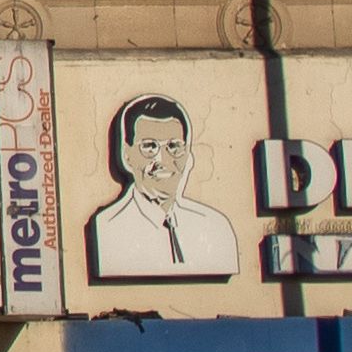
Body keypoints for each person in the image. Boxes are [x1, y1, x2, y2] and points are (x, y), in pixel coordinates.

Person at [84, 94, 239, 281]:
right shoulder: (109, 229)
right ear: (127, 156)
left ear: (187, 153)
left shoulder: (214, 227)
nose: (163, 160)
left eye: (174, 146)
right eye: (149, 147)